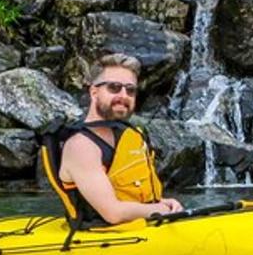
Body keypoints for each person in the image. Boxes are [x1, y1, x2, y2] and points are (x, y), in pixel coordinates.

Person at [40, 53, 182, 226]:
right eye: (114, 87)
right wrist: (162, 210)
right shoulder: (82, 146)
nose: (124, 95)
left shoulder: (127, 135)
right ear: (94, 92)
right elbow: (113, 213)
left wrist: (163, 203)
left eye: (130, 90)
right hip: (101, 240)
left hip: (140, 228)